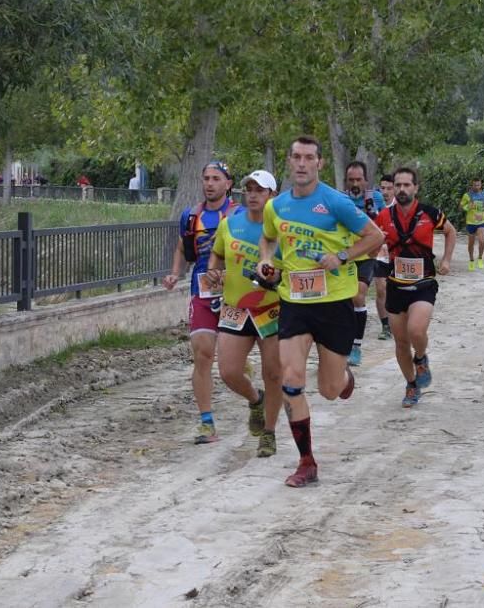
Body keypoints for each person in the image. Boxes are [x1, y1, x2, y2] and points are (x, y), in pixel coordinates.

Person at [257, 136, 384, 487]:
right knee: (291, 380)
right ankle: (306, 462)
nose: (301, 164)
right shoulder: (276, 206)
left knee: (329, 389)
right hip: (294, 303)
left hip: (334, 303)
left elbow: (376, 237)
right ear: (289, 161)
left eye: (308, 158)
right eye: (296, 157)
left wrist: (342, 256)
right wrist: (267, 260)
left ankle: (343, 378)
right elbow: (267, 238)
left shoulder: (335, 202)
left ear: (319, 163)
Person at [207, 170, 282, 457]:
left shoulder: (281, 228)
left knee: (273, 373)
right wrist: (214, 269)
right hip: (236, 307)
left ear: (271, 196)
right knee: (228, 371)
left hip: (271, 308)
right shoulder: (230, 224)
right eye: (248, 189)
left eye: (259, 190)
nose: (252, 195)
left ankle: (270, 433)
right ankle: (255, 399)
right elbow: (217, 253)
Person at [163, 162, 238, 443]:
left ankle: (256, 399)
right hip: (202, 291)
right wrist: (174, 273)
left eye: (216, 179)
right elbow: (183, 247)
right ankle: (207, 422)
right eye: (206, 178)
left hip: (236, 294)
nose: (210, 183)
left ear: (228, 184)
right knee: (203, 353)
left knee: (232, 365)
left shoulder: (239, 214)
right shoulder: (190, 216)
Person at [374, 167, 455, 408]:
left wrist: (447, 260)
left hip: (423, 284)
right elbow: (373, 241)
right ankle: (411, 385)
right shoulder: (383, 217)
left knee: (416, 331)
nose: (401, 189)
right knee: (400, 343)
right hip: (395, 286)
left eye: (406, 185)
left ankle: (421, 358)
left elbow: (450, 232)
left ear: (416, 188)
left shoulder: (430, 213)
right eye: (397, 185)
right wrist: (376, 252)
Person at [343, 162, 386, 367]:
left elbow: (385, 221)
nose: (355, 183)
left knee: (358, 296)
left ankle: (356, 347)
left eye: (358, 179)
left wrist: (381, 243)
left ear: (366, 180)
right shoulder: (340, 199)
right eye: (351, 180)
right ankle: (343, 341)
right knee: (344, 302)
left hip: (367, 256)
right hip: (346, 255)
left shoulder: (375, 198)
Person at [374, 173, 396, 340]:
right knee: (381, 289)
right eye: (383, 188)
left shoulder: (401, 207)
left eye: (389, 188)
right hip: (379, 255)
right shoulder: (373, 207)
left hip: (398, 256)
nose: (386, 192)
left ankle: (400, 321)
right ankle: (386, 326)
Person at [459, 178, 484, 271]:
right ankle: (471, 260)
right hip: (471, 222)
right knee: (471, 243)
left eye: (478, 185)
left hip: (482, 221)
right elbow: (460, 208)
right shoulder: (467, 195)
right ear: (472, 185)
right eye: (475, 185)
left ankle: (480, 258)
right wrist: (468, 206)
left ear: (481, 185)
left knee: (482, 241)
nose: (477, 187)